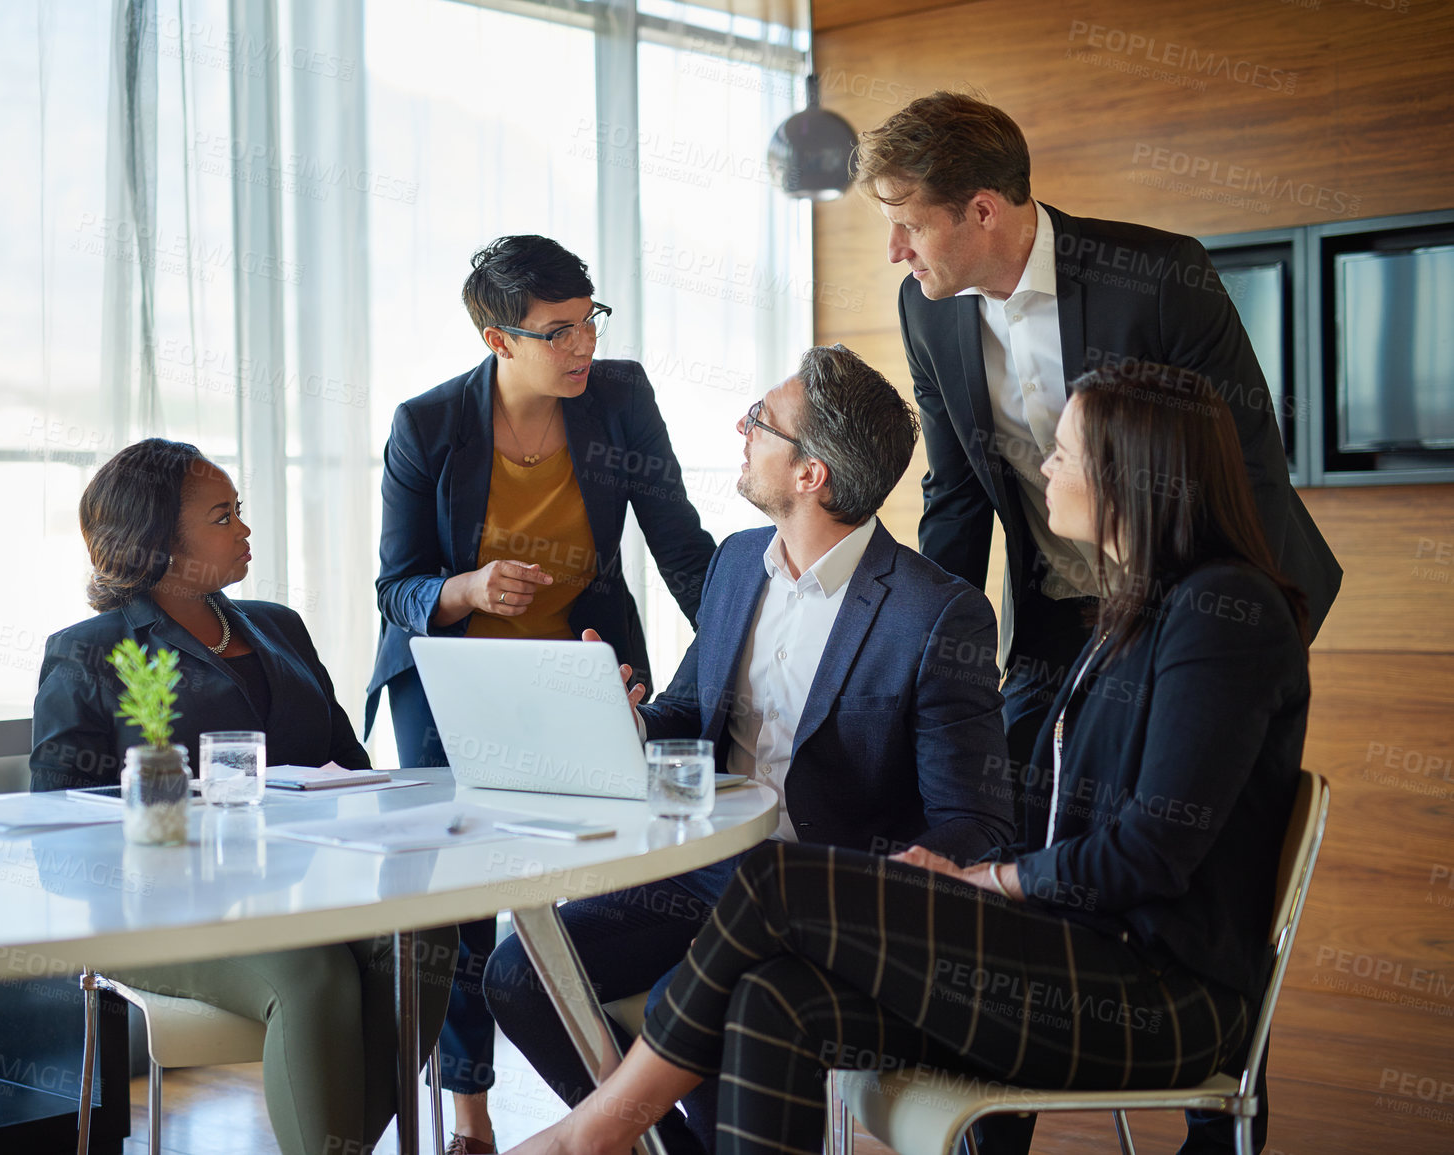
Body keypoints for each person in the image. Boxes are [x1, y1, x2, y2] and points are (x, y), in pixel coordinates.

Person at [506, 361, 1311, 1155]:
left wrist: (982, 879)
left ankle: (590, 1135)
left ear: (1129, 473)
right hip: (1078, 953)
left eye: (1062, 451)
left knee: (772, 878)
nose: (1044, 466)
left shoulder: (1224, 614)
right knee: (766, 999)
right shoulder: (1133, 609)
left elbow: (1151, 852)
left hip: (1152, 994)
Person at [858, 92, 1339, 1152]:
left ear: (981, 209)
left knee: (1192, 853)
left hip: (1200, 603)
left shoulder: (1157, 277)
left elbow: (1240, 469)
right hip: (1056, 622)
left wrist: (1217, 646)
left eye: (907, 218)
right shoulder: (928, 308)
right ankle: (1003, 1118)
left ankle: (1221, 1111)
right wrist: (921, 657)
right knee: (1023, 847)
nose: (893, 248)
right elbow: (956, 501)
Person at [483, 344, 1014, 1155]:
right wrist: (621, 722)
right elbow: (688, 713)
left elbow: (972, 823)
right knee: (519, 973)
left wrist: (883, 886)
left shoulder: (936, 615)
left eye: (761, 421)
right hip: (699, 878)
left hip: (821, 901)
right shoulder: (736, 564)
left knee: (702, 1015)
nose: (743, 427)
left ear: (812, 476)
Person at [368, 235, 717, 1154]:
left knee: (627, 863)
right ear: (497, 340)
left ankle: (632, 1092)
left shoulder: (619, 397)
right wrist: (468, 588)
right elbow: (396, 586)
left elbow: (678, 541)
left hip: (578, 661)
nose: (581, 348)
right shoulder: (428, 425)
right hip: (456, 678)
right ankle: (471, 1112)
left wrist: (738, 638)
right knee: (463, 894)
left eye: (588, 321)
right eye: (556, 332)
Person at [31, 438, 456, 1155]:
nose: (244, 529)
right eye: (222, 516)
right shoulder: (89, 651)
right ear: (157, 542)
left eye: (239, 511)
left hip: (304, 890)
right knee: (311, 972)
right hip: (159, 909)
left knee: (424, 942)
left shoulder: (278, 626)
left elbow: (351, 767)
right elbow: (58, 829)